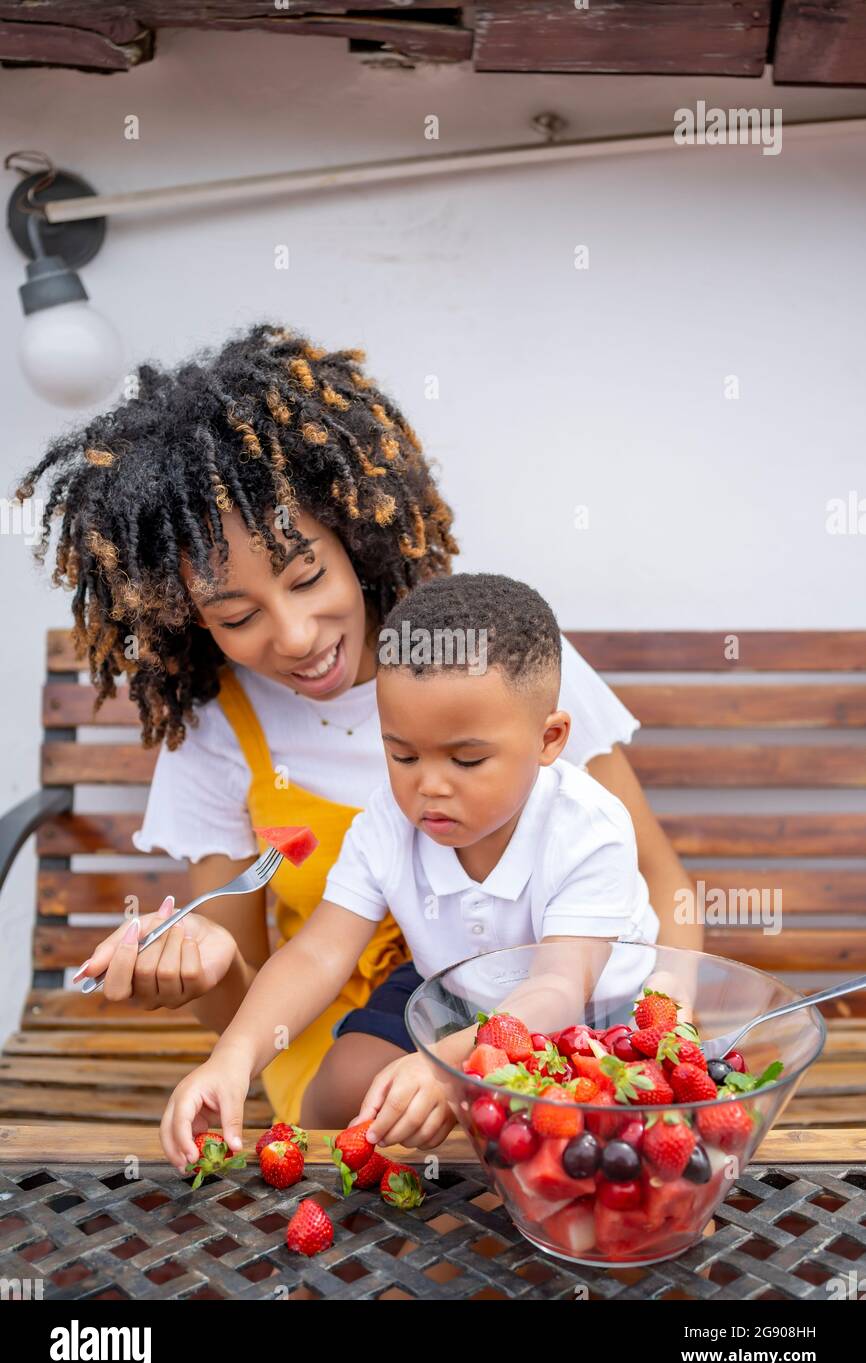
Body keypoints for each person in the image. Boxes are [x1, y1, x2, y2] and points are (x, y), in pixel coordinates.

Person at [17, 323, 700, 1129]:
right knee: (376, 1109)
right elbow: (291, 968)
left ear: (349, 531)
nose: (298, 636)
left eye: (307, 575)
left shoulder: (497, 663)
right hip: (363, 1032)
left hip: (559, 1008)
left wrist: (669, 1032)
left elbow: (653, 898)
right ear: (189, 620)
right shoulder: (231, 738)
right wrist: (212, 995)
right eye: (236, 615)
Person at [160, 573, 664, 1166]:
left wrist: (448, 1065)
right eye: (401, 753)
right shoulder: (390, 819)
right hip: (453, 988)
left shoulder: (587, 828)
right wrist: (233, 1059)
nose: (428, 784)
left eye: (467, 759)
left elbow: (556, 987)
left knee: (571, 1144)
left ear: (549, 739)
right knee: (341, 1089)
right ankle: (348, 1224)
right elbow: (318, 953)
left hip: (588, 1016)